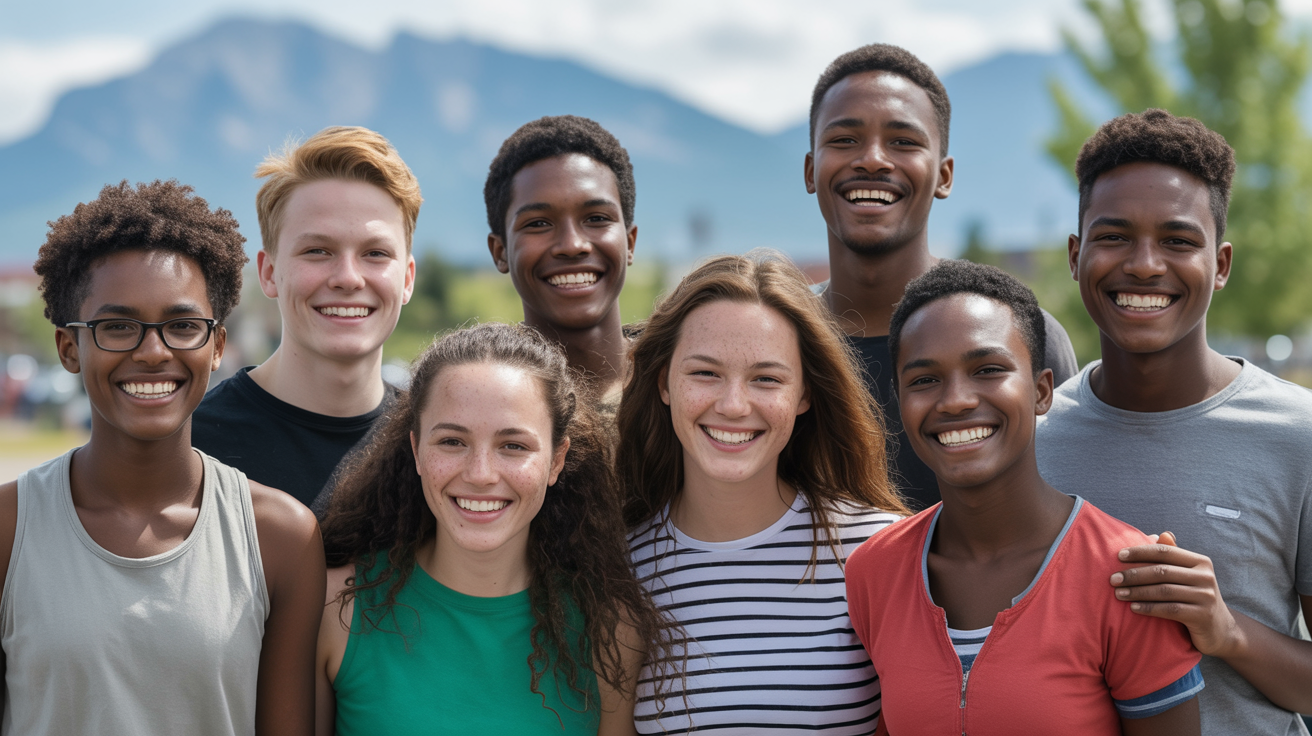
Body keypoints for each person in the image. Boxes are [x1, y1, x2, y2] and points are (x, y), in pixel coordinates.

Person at [3, 180, 325, 735]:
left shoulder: (280, 537)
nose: (153, 352)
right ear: (68, 348)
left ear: (217, 345)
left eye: (182, 326)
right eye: (117, 327)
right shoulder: (9, 528)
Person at [1035, 109, 1312, 735]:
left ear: (1221, 264)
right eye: (1114, 237)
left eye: (1178, 241)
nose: (1144, 264)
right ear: (1076, 256)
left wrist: (1227, 631)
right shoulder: (1035, 441)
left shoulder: (1299, 434)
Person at [847, 259, 1202, 735]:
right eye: (924, 379)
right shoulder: (873, 572)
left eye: (988, 369)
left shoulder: (1128, 575)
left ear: (1041, 391)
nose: (955, 400)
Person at [315, 322, 676, 735]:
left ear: (557, 461)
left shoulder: (611, 630)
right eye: (452, 441)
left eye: (513, 446)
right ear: (416, 450)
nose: (481, 474)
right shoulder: (336, 607)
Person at [618, 251, 909, 735]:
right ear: (663, 382)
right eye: (705, 373)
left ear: (804, 395)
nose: (733, 405)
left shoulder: (881, 551)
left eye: (766, 379)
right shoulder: (618, 571)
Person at [804, 43, 1078, 511]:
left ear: (944, 175)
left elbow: (1066, 512)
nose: (872, 159)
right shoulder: (778, 340)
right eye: (844, 140)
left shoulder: (1016, 335)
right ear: (811, 170)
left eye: (903, 142)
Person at [192, 126, 420, 509]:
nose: (348, 278)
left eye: (375, 253)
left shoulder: (436, 446)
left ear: (408, 279)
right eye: (317, 250)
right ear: (268, 273)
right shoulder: (191, 452)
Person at [485, 115, 637, 416]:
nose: (572, 245)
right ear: (500, 251)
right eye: (539, 224)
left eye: (596, 218)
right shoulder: (477, 406)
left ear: (630, 242)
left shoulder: (682, 389)